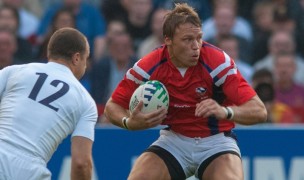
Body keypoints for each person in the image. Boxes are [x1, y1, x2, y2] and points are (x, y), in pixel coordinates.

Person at [104, 3, 267, 180]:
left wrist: (226, 111)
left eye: (199, 38)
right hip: (174, 141)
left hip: (217, 142)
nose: (196, 46)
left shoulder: (217, 62)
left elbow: (259, 111)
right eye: (188, 39)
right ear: (168, 40)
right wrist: (129, 122)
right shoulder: (149, 66)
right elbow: (112, 106)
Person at [0, 27, 97, 180]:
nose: (85, 66)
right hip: (29, 172)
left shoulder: (13, 71)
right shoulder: (86, 102)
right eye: (86, 59)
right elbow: (81, 163)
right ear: (77, 58)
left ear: (49, 52)